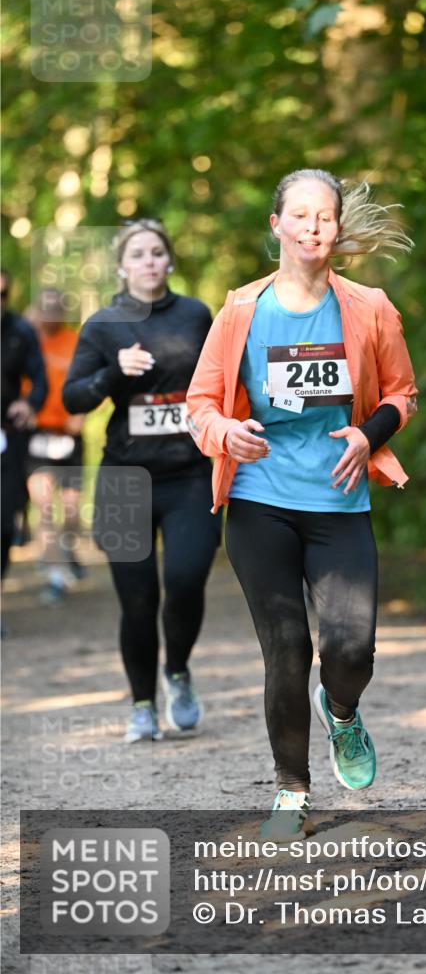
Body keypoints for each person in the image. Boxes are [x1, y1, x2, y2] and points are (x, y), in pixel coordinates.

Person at [187, 169, 418, 839]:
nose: (314, 226)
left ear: (337, 228)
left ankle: (340, 711)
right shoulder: (240, 311)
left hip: (339, 502)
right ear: (277, 227)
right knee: (285, 647)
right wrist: (225, 431)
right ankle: (291, 789)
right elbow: (200, 405)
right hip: (260, 502)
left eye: (325, 216)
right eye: (301, 216)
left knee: (352, 650)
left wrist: (366, 433)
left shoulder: (369, 307)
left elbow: (401, 395)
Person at [62, 220, 220, 743]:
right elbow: (73, 399)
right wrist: (114, 371)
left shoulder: (197, 314)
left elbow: (225, 379)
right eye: (139, 254)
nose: (149, 261)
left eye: (158, 252)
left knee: (185, 579)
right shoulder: (104, 326)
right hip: (126, 480)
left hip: (190, 477)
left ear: (170, 262)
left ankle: (177, 669)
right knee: (137, 600)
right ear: (121, 267)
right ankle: (142, 706)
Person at [24, 289, 86, 604]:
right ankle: (55, 575)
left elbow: (87, 381)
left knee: (72, 512)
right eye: (44, 307)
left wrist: (81, 415)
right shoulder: (26, 339)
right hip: (37, 435)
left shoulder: (74, 341)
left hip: (69, 436)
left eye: (56, 308)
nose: (51, 314)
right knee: (44, 506)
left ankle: (67, 549)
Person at [1, 269, 48, 583]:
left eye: (1, 295)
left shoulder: (20, 330)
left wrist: (28, 403)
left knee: (4, 522)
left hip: (8, 436)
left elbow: (41, 379)